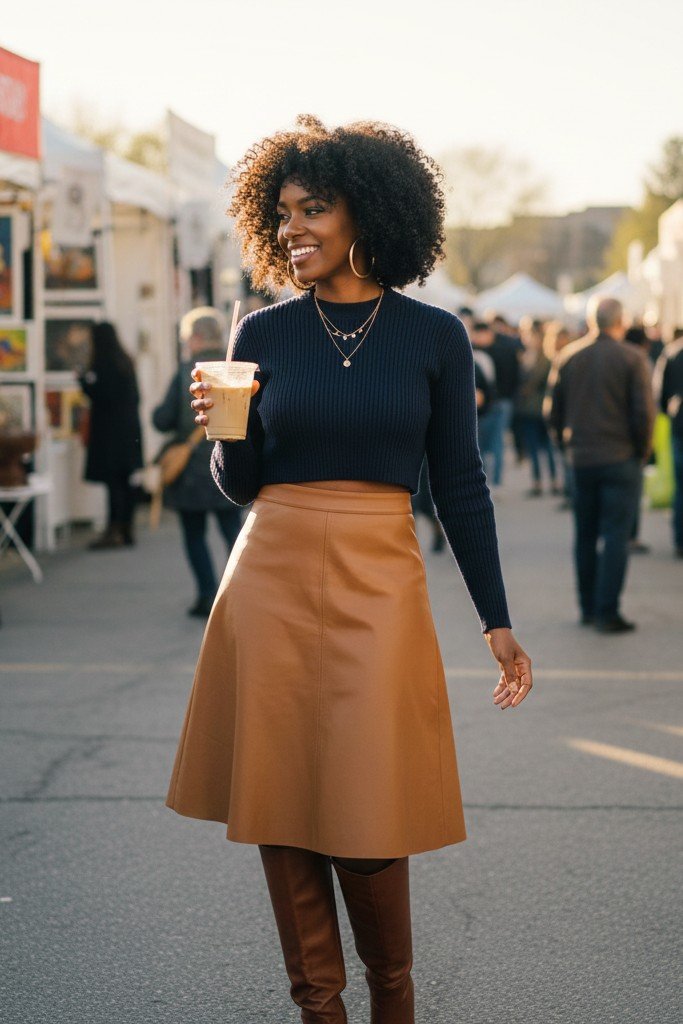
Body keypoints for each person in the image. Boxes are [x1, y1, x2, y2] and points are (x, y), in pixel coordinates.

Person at [166, 115, 533, 1024]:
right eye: (281, 212)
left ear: (365, 212)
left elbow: (458, 480)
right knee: (281, 803)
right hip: (271, 576)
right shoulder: (263, 329)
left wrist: (495, 617)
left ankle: (392, 1003)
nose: (293, 228)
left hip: (381, 577)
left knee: (367, 808)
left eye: (313, 209)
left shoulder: (433, 336)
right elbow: (239, 485)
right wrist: (224, 425)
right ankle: (317, 1009)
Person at [546, 296, 655, 633]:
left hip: (581, 458)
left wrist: (566, 444)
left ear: (593, 321)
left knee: (585, 535)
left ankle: (588, 607)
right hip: (620, 457)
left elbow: (552, 411)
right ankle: (607, 611)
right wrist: (642, 451)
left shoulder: (568, 356)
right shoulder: (632, 357)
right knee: (615, 536)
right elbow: (643, 413)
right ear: (620, 322)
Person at [152, 307, 243, 617]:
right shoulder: (235, 367)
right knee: (234, 534)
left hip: (191, 472)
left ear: (196, 337)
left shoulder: (185, 372)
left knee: (195, 535)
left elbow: (162, 419)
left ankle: (207, 595)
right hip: (229, 465)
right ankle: (241, 594)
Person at [79, 322, 142, 549]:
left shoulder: (102, 364)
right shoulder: (125, 362)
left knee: (114, 484)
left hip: (109, 436)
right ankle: (126, 529)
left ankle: (114, 529)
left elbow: (101, 396)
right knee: (125, 482)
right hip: (128, 433)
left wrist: (83, 383)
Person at [471, 319, 522, 491]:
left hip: (494, 402)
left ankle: (489, 481)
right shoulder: (506, 347)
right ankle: (496, 482)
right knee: (495, 442)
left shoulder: (483, 353)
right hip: (503, 400)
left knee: (487, 444)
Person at [516, 318, 559, 497]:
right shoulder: (526, 356)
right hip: (528, 409)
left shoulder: (545, 358)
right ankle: (538, 481)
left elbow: (534, 382)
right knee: (534, 448)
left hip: (540, 408)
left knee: (546, 447)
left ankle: (553, 480)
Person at [653, 327, 683, 558]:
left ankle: (680, 539)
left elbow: (659, 395)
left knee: (680, 487)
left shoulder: (672, 353)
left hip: (679, 426)